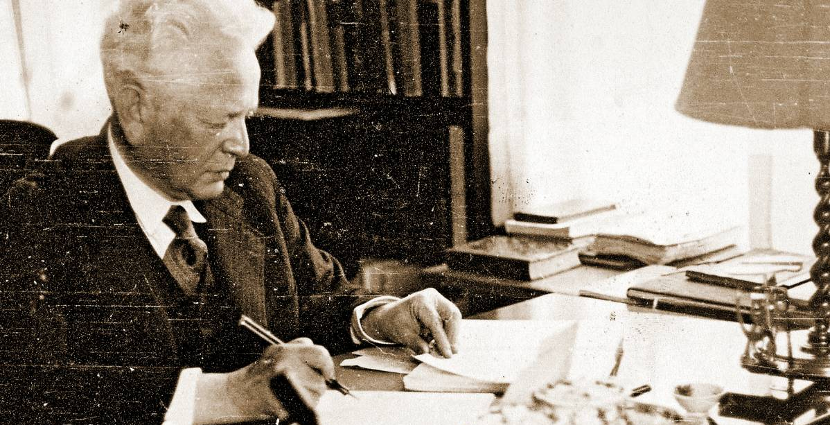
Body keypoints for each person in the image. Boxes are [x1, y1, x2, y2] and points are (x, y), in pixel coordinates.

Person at [0, 0, 461, 423]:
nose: (241, 144)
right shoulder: (35, 214)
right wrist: (232, 394)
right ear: (135, 105)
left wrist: (382, 317)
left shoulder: (248, 184)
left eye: (245, 116)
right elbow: (33, 392)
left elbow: (317, 295)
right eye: (216, 121)